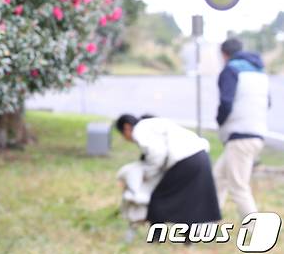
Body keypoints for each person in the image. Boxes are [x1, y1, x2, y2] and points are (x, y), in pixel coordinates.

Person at [115, 114, 221, 228]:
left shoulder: (139, 130)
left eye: (122, 134)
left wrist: (147, 174)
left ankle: (156, 237)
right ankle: (188, 238)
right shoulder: (153, 124)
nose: (125, 138)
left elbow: (157, 154)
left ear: (126, 127)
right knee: (188, 199)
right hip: (202, 156)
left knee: (157, 199)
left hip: (185, 159)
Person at [214, 38, 269, 218]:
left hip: (240, 136)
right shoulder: (260, 72)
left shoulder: (230, 70)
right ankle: (206, 222)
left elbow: (226, 103)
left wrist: (220, 121)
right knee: (218, 177)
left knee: (238, 187)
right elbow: (267, 103)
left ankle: (256, 231)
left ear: (224, 54)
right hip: (256, 134)